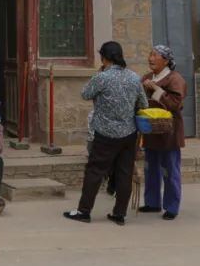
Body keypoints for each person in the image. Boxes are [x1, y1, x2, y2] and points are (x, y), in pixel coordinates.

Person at [64, 41, 147, 225]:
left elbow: (85, 94)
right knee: (124, 173)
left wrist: (98, 75)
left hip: (105, 134)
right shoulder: (134, 77)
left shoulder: (102, 77)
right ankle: (119, 214)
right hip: (129, 134)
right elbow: (143, 104)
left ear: (104, 58)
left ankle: (84, 211)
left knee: (94, 172)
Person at [139, 45, 187, 220]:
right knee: (150, 169)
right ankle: (152, 203)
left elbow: (175, 103)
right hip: (151, 131)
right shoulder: (146, 77)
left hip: (169, 133)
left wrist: (155, 89)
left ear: (166, 60)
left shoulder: (175, 79)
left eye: (155, 55)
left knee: (170, 170)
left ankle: (171, 207)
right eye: (150, 54)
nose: (150, 58)